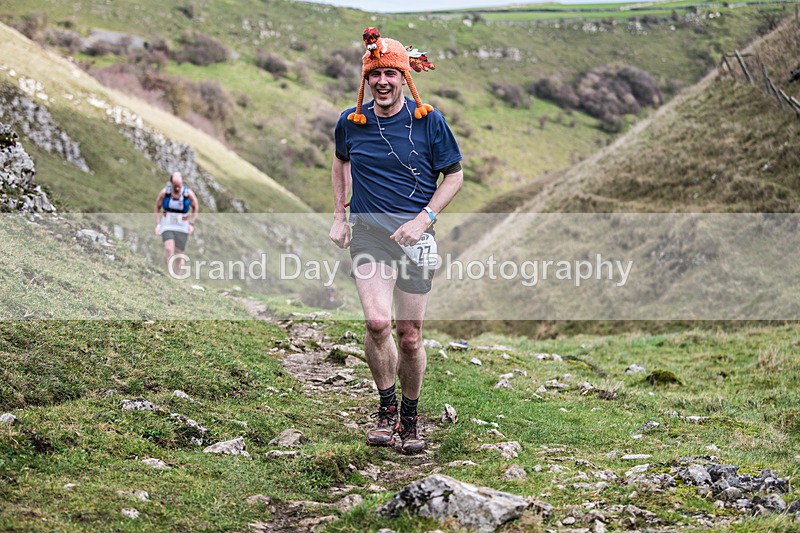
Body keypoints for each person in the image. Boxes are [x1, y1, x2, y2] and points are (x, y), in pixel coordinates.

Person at [329, 27, 464, 454]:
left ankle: (410, 416)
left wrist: (424, 220)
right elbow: (340, 162)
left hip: (416, 240)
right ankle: (386, 409)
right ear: (366, 79)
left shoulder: (429, 120)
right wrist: (340, 215)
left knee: (409, 335)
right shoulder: (351, 123)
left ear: (404, 76)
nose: (382, 81)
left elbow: (454, 176)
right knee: (377, 323)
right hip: (369, 235)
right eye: (375, 74)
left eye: (391, 73)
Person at [154, 171, 198, 276]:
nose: (177, 188)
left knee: (179, 254)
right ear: (171, 183)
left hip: (182, 226)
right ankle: (169, 273)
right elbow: (157, 207)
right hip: (167, 224)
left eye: (179, 186)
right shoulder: (165, 192)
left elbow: (195, 207)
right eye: (175, 186)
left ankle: (176, 276)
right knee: (168, 248)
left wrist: (191, 224)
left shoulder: (188, 194)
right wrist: (158, 224)